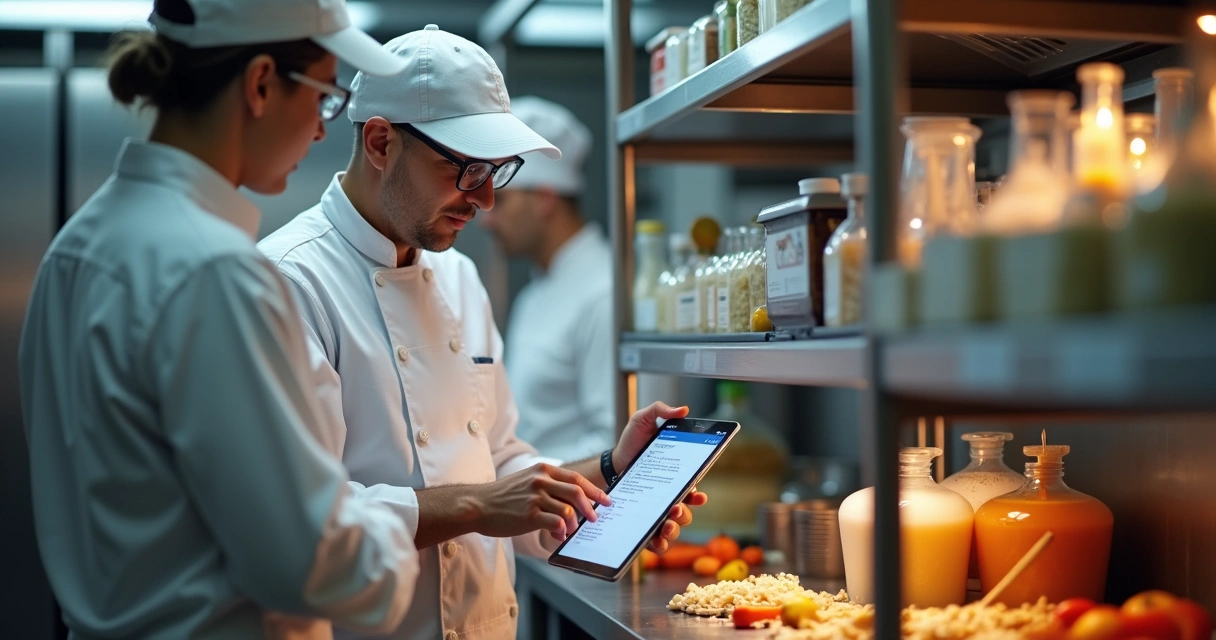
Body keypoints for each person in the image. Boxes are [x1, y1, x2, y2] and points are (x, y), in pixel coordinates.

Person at [257, 26, 706, 640]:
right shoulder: (286, 281)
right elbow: (298, 521)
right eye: (466, 168)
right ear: (382, 141)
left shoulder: (460, 277)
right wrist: (478, 505)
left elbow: (499, 458)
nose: (487, 199)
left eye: (498, 171)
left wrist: (605, 474)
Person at [17, 1, 423, 638]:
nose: (322, 132)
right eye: (324, 98)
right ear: (261, 83)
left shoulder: (76, 248)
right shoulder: (213, 270)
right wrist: (402, 532)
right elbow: (314, 567)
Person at [479, 96, 614, 462]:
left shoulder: (603, 294)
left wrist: (518, 484)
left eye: (500, 201)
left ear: (544, 199)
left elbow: (617, 445)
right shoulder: (535, 292)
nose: (486, 219)